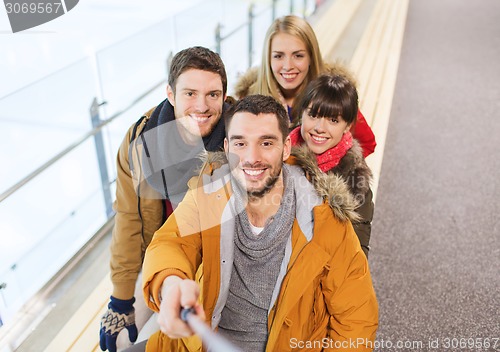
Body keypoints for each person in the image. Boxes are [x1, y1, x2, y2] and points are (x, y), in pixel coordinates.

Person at [141, 95, 378, 351]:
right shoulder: (208, 195)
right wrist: (170, 282)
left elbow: (356, 319)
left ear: (286, 147)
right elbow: (171, 242)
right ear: (227, 147)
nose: (252, 157)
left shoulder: (325, 218)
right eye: (240, 143)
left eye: (266, 143)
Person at [99, 46, 232, 352]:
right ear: (170, 94)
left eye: (213, 94)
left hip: (208, 265)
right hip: (161, 257)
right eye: (190, 93)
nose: (202, 105)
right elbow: (128, 219)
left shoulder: (236, 141)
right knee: (117, 340)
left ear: (225, 97)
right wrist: (120, 298)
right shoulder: (139, 142)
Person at [234, 15, 377, 158]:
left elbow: (367, 142)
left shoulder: (331, 94)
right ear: (268, 59)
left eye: (298, 56)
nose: (288, 66)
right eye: (278, 56)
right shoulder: (248, 100)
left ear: (311, 57)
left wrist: (324, 167)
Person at [288, 72, 374, 257]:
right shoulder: (276, 150)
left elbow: (356, 255)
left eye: (333, 120)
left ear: (347, 126)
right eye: (313, 115)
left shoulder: (355, 179)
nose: (320, 127)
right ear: (302, 113)